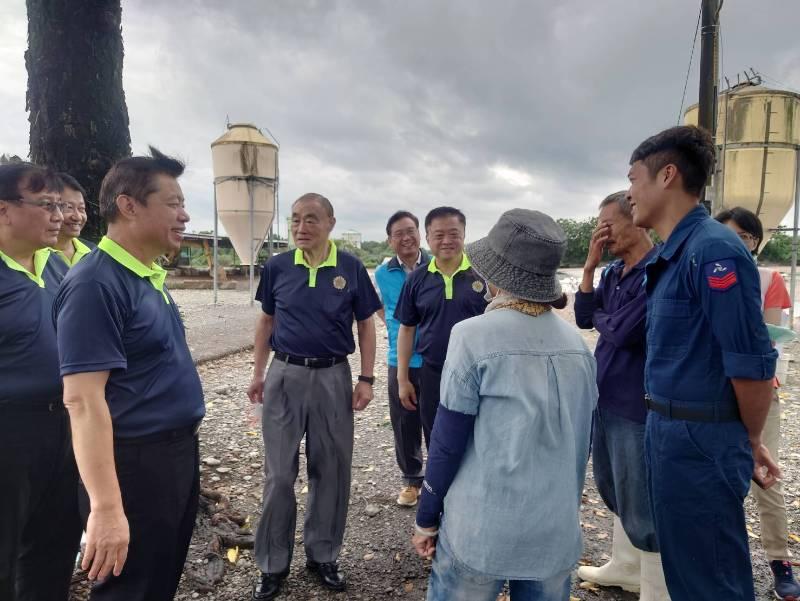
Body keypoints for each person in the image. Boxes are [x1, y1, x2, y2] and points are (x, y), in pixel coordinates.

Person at [412, 209, 597, 601]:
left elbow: (447, 441)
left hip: (481, 530)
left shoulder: (471, 337)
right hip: (553, 531)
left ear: (493, 274)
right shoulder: (578, 349)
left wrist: (427, 516)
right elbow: (581, 447)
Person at [627, 125, 779, 600]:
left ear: (667, 175)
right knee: (687, 571)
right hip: (669, 433)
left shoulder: (713, 250)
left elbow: (751, 362)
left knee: (711, 580)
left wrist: (749, 439)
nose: (629, 192)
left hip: (701, 441)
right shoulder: (675, 253)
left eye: (634, 179)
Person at [54, 147, 205, 601]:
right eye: (173, 203)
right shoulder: (96, 284)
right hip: (135, 466)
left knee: (157, 582)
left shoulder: (144, 276)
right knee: (130, 589)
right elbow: (82, 401)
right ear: (128, 205)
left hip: (173, 458)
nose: (184, 215)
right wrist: (105, 507)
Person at [247, 193, 382, 600]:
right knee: (279, 475)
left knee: (331, 470)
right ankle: (272, 564)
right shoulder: (277, 267)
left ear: (330, 223)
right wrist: (258, 374)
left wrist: (367, 378)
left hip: (333, 376)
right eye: (294, 220)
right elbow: (267, 320)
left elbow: (367, 325)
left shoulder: (351, 268)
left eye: (310, 219)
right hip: (285, 375)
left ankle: (323, 554)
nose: (301, 227)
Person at [574, 191, 668, 599]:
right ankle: (625, 566)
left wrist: (602, 318)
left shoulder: (659, 270)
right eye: (599, 226)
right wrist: (590, 269)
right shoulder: (612, 273)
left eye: (608, 225)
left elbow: (625, 332)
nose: (602, 233)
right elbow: (583, 317)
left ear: (638, 220)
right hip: (605, 396)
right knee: (611, 484)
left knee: (641, 497)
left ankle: (657, 587)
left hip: (638, 402)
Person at [0, 163, 82, 601]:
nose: (59, 216)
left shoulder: (58, 268)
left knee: (54, 546)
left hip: (64, 427)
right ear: (4, 211)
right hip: (9, 432)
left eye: (62, 205)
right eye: (47, 205)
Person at [715, 206, 800, 600]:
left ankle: (780, 559)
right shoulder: (703, 273)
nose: (739, 244)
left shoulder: (769, 278)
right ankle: (721, 561)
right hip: (713, 391)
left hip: (759, 388)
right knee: (717, 481)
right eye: (729, 235)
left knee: (766, 476)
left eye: (746, 237)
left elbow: (775, 335)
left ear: (755, 242)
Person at [395, 207, 487, 447]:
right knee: (436, 437)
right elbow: (407, 329)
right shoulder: (416, 279)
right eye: (439, 235)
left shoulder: (484, 276)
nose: (447, 241)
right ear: (427, 238)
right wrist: (402, 378)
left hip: (478, 373)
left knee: (477, 437)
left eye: (454, 234)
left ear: (464, 235)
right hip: (433, 371)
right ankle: (438, 485)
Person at [374, 210, 430, 507]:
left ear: (420, 233)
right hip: (401, 359)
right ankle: (411, 480)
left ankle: (438, 481)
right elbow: (378, 306)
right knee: (404, 423)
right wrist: (394, 327)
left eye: (411, 231)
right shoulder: (383, 273)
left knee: (438, 422)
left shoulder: (437, 265)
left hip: (436, 358)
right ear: (389, 240)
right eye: (399, 233)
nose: (406, 237)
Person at [53, 172, 94, 269]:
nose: (78, 217)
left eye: (81, 208)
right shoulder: (33, 255)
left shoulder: (93, 253)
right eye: (69, 207)